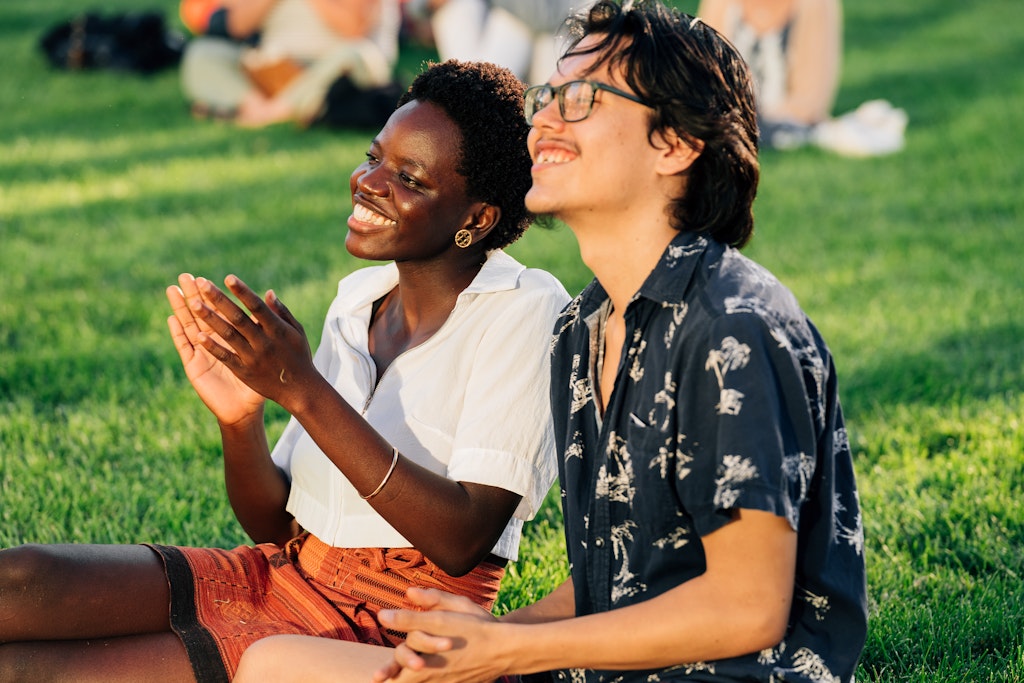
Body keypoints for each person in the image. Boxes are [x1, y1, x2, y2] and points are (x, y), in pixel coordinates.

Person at [231, 1, 869, 681]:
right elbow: (615, 579)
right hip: (600, 669)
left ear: (676, 145)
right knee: (278, 662)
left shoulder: (734, 326)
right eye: (549, 94)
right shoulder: (581, 329)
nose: (543, 120)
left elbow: (748, 608)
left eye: (583, 97)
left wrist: (511, 652)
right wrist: (485, 638)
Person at [0, 59, 570, 682]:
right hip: (285, 574)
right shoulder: (360, 300)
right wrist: (240, 420)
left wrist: (302, 388)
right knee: (20, 578)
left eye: (408, 178)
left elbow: (463, 539)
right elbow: (276, 524)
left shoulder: (525, 310)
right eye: (374, 156)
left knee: (34, 671)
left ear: (477, 219)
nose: (369, 182)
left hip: (385, 625)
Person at [180, 0, 401, 127]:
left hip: (339, 68)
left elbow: (353, 28)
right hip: (278, 69)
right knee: (203, 53)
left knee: (355, 54)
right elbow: (237, 26)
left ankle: (271, 112)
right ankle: (256, 105)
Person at [697, 0, 841, 149]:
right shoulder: (720, 4)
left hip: (788, 124)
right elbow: (706, 77)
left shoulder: (814, 5)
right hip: (727, 118)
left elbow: (811, 102)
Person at [408, 0, 595, 86]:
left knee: (553, 94)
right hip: (509, 19)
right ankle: (467, 87)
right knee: (457, 7)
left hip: (561, 25)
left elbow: (546, 16)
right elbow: (418, 7)